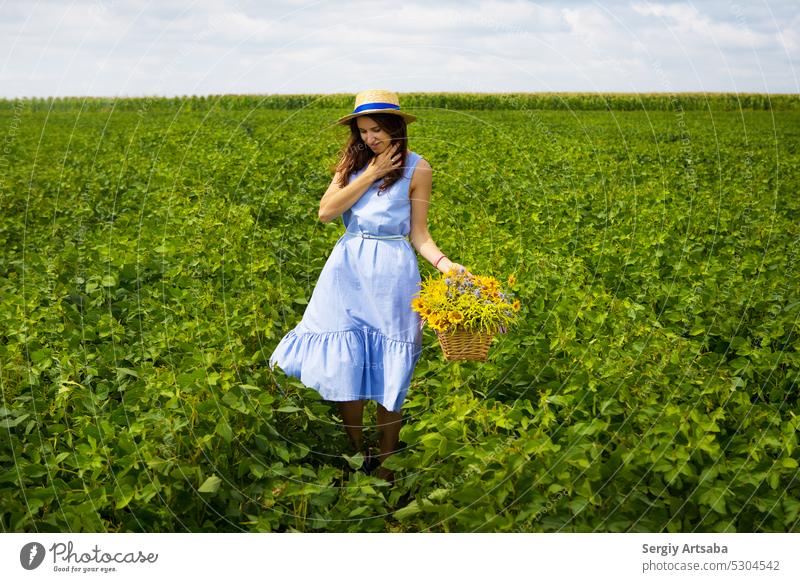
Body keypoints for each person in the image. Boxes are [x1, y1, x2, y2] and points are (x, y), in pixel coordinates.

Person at [269, 89, 471, 483]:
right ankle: (355, 453)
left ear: (396, 129)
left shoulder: (419, 169)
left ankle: (387, 462)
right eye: (364, 131)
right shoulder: (351, 164)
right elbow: (327, 213)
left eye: (377, 130)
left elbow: (420, 235)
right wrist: (372, 172)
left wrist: (447, 266)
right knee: (348, 362)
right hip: (347, 270)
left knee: (390, 366)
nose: (371, 138)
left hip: (393, 273)